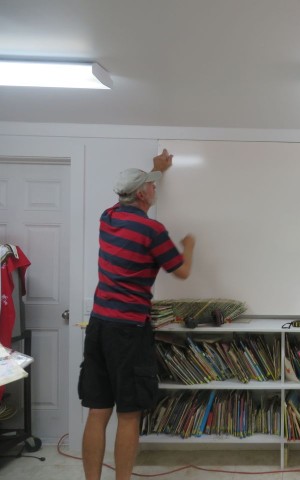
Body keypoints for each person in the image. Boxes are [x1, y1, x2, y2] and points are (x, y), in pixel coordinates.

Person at [78, 149, 195, 480]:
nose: (155, 190)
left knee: (98, 411)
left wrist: (156, 171)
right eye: (151, 187)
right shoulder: (152, 231)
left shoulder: (108, 217)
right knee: (129, 414)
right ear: (143, 194)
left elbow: (135, 190)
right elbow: (182, 271)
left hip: (99, 325)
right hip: (129, 330)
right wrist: (189, 245)